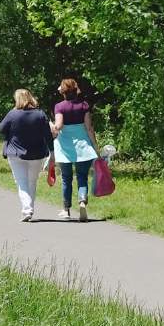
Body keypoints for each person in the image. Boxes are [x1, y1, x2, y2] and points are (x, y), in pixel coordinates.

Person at [0, 89, 52, 221]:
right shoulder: (40, 114)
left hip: (15, 153)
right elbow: (48, 135)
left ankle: (27, 209)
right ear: (30, 98)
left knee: (21, 182)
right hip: (37, 153)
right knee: (32, 182)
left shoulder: (13, 114)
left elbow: (1, 129)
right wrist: (52, 152)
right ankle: (29, 209)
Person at [51, 78, 99, 222]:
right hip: (83, 146)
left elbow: (58, 126)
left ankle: (66, 210)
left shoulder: (59, 106)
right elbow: (89, 128)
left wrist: (52, 126)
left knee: (66, 179)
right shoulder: (84, 105)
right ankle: (82, 201)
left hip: (65, 147)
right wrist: (95, 147)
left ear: (63, 92)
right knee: (82, 177)